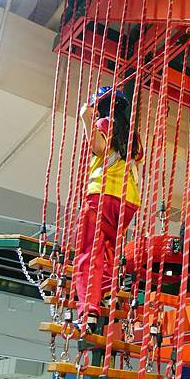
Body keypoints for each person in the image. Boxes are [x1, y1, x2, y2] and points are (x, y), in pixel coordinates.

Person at [76, 87, 143, 331]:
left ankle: (88, 312)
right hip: (127, 202)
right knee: (108, 251)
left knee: (89, 253)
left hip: (101, 197)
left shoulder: (104, 123)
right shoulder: (133, 138)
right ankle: (105, 294)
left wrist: (86, 119)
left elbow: (99, 147)